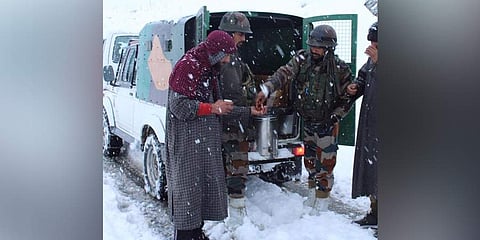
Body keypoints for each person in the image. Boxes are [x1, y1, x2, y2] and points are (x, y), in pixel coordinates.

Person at [255, 25, 355, 212]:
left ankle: (323, 201)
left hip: (327, 123)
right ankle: (311, 195)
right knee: (309, 160)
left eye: (319, 47)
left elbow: (347, 99)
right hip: (308, 121)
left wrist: (334, 118)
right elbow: (284, 72)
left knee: (325, 164)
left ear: (329, 48)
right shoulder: (302, 59)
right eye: (313, 46)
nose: (314, 49)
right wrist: (268, 87)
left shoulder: (340, 69)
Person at [166, 30, 236, 240]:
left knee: (197, 195)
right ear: (215, 52)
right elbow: (178, 106)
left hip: (199, 145)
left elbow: (214, 104)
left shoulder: (207, 67)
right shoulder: (189, 66)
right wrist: (212, 108)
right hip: (187, 144)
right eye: (226, 54)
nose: (228, 60)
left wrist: (248, 112)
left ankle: (197, 234)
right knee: (187, 196)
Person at [217, 11, 266, 227]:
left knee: (238, 169)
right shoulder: (220, 59)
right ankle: (232, 219)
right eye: (240, 34)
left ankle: (235, 215)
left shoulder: (234, 56)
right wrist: (245, 111)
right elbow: (225, 97)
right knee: (232, 170)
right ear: (228, 34)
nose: (244, 39)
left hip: (238, 122)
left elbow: (241, 88)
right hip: (226, 124)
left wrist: (254, 98)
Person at [347, 22, 379, 226]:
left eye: (376, 42)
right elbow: (363, 77)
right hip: (371, 125)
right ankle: (375, 213)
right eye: (372, 42)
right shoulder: (372, 59)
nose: (373, 46)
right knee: (372, 172)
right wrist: (354, 87)